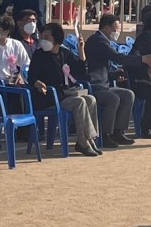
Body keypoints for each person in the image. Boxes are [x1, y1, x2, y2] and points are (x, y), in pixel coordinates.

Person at [85, 14, 151, 146]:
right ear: (106, 28)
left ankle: (118, 132)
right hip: (95, 85)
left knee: (128, 94)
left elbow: (102, 68)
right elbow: (118, 58)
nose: (118, 32)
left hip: (104, 84)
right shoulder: (98, 41)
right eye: (116, 28)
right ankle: (105, 134)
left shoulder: (103, 41)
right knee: (113, 98)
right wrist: (142, 59)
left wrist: (114, 75)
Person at [27, 22, 101, 157]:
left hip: (64, 94)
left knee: (90, 99)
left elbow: (81, 72)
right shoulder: (38, 55)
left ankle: (90, 139)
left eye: (47, 37)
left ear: (56, 39)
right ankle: (83, 142)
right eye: (42, 37)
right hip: (48, 97)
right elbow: (31, 77)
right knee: (79, 102)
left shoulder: (64, 53)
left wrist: (81, 50)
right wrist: (37, 83)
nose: (43, 40)